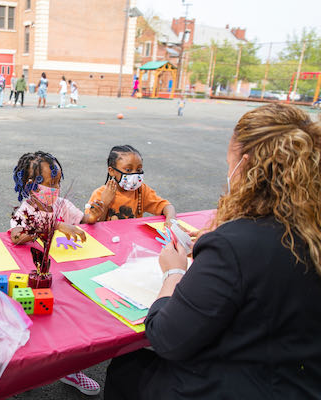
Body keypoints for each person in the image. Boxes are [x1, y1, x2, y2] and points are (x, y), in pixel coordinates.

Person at [104, 103, 321, 399]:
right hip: (302, 381)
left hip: (239, 385)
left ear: (243, 166)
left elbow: (168, 338)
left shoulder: (234, 243)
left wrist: (174, 272)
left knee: (128, 367)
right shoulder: (309, 228)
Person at [9, 151, 104, 396]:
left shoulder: (62, 204)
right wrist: (57, 224)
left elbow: (85, 219)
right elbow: (18, 236)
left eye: (58, 182)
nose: (56, 187)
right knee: (38, 325)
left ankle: (70, 368)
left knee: (69, 321)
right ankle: (26, 371)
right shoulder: (26, 210)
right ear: (31, 185)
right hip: (38, 275)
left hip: (66, 273)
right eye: (51, 183)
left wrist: (96, 209)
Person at [85, 145, 176, 224]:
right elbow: (92, 224)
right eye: (128, 170)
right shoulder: (100, 193)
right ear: (112, 171)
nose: (135, 174)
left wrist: (171, 220)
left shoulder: (141, 190)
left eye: (139, 170)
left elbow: (166, 206)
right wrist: (105, 203)